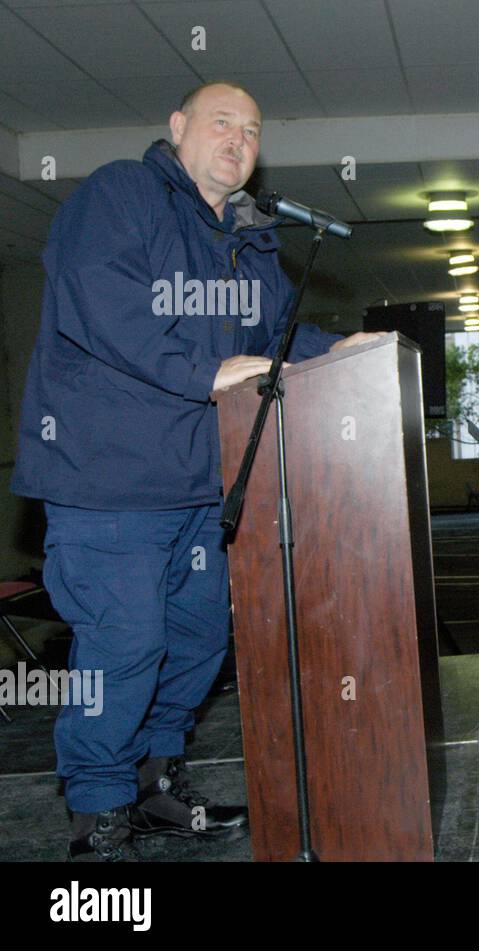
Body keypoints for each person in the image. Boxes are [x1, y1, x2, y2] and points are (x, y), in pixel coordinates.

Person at [10, 82, 384, 861]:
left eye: (252, 129)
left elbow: (273, 331)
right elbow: (100, 306)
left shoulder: (247, 235)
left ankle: (153, 781)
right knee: (126, 639)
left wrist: (335, 348)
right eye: (222, 122)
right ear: (177, 126)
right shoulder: (120, 194)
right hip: (104, 482)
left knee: (199, 634)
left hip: (200, 485)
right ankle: (100, 810)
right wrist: (206, 369)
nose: (238, 139)